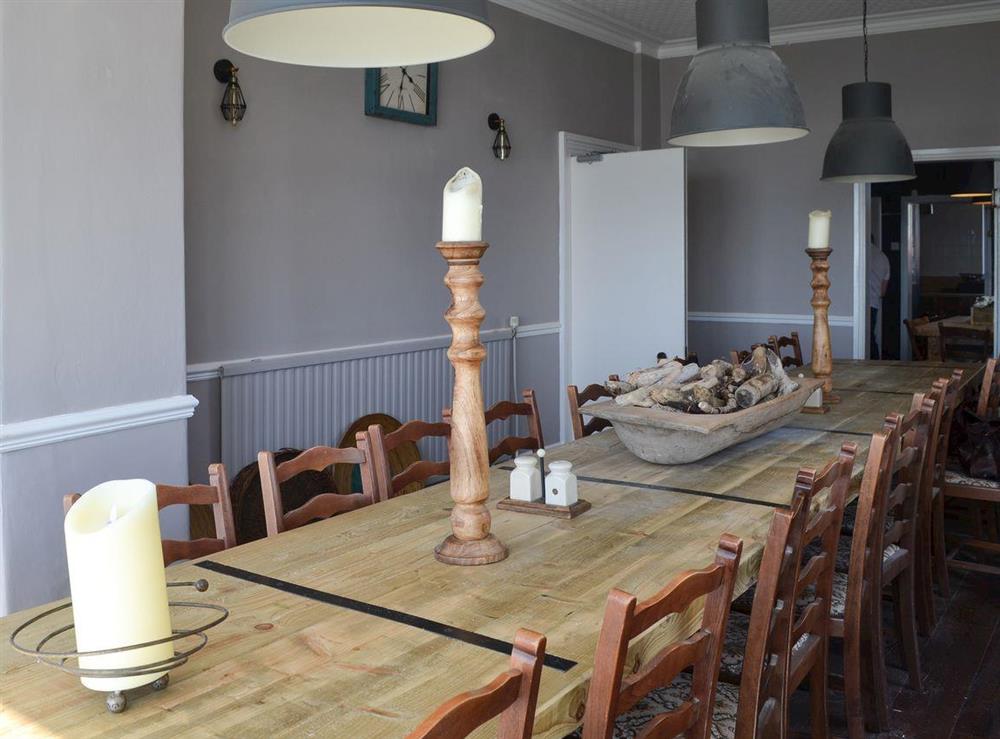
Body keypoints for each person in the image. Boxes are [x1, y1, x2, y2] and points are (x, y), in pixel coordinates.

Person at [868, 236, 891, 359]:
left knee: (867, 338)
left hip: (861, 304)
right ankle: (876, 362)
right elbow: (883, 292)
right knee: (870, 336)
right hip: (874, 302)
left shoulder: (861, 253)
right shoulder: (883, 258)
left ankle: (873, 363)